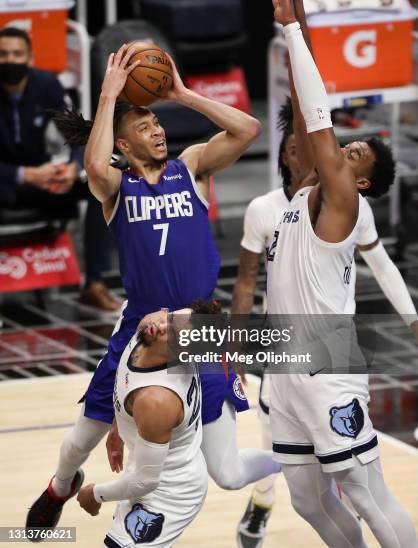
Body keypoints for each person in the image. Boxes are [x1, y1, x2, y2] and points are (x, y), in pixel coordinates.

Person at [26, 43, 280, 538]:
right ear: (122, 145)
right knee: (80, 439)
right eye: (143, 128)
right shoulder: (117, 187)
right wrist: (109, 96)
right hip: (141, 326)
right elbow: (95, 169)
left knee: (227, 473)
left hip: (200, 327)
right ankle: (59, 487)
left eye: (157, 123)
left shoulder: (192, 167)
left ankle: (297, 463)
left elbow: (248, 128)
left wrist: (183, 94)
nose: (157, 130)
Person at [236, 0, 418, 540]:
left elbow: (318, 118)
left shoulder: (345, 202)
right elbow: (305, 104)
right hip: (285, 361)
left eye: (353, 153)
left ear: (360, 181)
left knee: (366, 491)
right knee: (309, 500)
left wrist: (291, 28)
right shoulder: (304, 193)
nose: (340, 152)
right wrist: (299, 22)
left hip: (327, 359)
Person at [77, 301, 216, 547]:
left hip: (170, 493)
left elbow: (144, 481)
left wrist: (95, 494)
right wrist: (118, 424)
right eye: (171, 317)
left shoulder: (157, 400)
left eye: (173, 334)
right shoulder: (149, 328)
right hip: (149, 469)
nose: (162, 325)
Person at [0, 26, 119, 311]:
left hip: (46, 179)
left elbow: (79, 136)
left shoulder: (47, 85)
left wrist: (72, 168)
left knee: (101, 182)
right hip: (5, 181)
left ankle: (93, 283)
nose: (10, 60)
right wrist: (23, 175)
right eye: (3, 54)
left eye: (17, 54)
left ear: (30, 59)